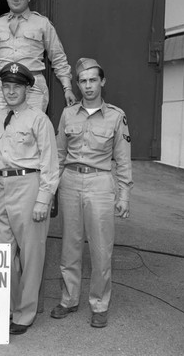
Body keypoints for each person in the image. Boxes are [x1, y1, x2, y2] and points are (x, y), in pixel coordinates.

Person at [0, 62, 59, 335]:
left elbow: (50, 163)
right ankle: (6, 309)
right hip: (3, 188)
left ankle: (24, 313)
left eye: (16, 87)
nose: (11, 92)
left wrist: (43, 199)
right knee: (3, 255)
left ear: (26, 90)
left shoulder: (38, 119)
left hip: (30, 185)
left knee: (32, 253)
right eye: (6, 87)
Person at [50, 58, 133, 328]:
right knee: (69, 247)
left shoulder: (116, 116)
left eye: (92, 80)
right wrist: (51, 189)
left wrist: (124, 195)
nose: (87, 86)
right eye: (83, 81)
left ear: (102, 82)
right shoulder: (67, 114)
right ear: (78, 84)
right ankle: (68, 299)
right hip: (70, 181)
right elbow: (59, 154)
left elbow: (123, 159)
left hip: (100, 184)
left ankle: (99, 304)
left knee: (100, 249)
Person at [0, 0, 76, 114]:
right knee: (1, 131)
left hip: (33, 88)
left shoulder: (42, 24)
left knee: (31, 131)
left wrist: (67, 88)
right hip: (3, 87)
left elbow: (58, 57)